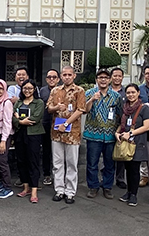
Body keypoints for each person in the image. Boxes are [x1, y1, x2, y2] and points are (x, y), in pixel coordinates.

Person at [47, 66, 86, 204]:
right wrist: (57, 108)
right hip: (56, 132)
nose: (67, 77)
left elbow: (81, 109)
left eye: (69, 74)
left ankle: (70, 191)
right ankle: (59, 189)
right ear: (61, 76)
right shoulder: (55, 90)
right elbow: (49, 108)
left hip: (72, 133)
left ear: (74, 76)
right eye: (64, 74)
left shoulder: (79, 91)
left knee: (71, 163)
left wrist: (66, 123)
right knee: (57, 163)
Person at [84, 68, 121, 200]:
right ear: (96, 80)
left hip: (110, 135)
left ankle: (107, 186)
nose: (103, 80)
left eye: (106, 77)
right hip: (93, 134)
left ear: (110, 79)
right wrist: (92, 100)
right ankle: (93, 186)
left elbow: (120, 114)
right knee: (92, 163)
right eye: (100, 77)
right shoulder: (89, 93)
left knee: (109, 163)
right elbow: (85, 110)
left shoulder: (116, 96)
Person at [115, 83, 149, 207]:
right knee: (128, 168)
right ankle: (128, 191)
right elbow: (122, 123)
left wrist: (131, 133)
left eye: (133, 92)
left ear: (138, 93)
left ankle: (134, 195)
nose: (130, 95)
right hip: (126, 142)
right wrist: (117, 132)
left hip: (137, 142)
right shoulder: (125, 108)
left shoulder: (144, 108)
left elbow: (147, 126)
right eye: (128, 93)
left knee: (134, 170)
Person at [13, 79, 45, 203]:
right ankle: (25, 188)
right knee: (21, 161)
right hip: (20, 133)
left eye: (30, 88)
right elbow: (11, 116)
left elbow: (36, 118)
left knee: (33, 161)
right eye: (25, 88)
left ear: (34, 89)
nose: (27, 90)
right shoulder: (19, 102)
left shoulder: (39, 102)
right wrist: (21, 122)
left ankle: (34, 191)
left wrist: (19, 119)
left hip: (34, 135)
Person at [39, 69, 60, 186]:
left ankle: (59, 175)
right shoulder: (42, 91)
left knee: (59, 151)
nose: (51, 79)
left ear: (58, 79)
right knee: (46, 150)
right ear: (46, 79)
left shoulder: (63, 91)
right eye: (49, 77)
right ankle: (47, 174)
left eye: (54, 77)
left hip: (60, 124)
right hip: (46, 124)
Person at [110, 67, 128, 190]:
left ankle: (120, 178)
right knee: (108, 154)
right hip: (108, 127)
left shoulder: (126, 92)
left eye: (119, 76)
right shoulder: (106, 90)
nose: (117, 78)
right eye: (115, 76)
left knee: (121, 153)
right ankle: (108, 178)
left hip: (122, 127)